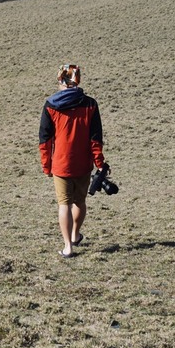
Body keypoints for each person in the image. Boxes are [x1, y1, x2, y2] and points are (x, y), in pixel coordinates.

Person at [39, 64, 106, 258]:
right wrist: (99, 162)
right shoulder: (90, 104)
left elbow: (45, 140)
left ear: (60, 80)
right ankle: (76, 234)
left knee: (64, 204)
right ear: (78, 80)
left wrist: (46, 165)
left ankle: (68, 246)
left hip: (60, 164)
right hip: (83, 164)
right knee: (80, 201)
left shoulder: (50, 105)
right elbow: (96, 138)